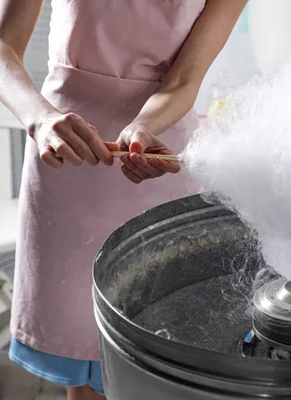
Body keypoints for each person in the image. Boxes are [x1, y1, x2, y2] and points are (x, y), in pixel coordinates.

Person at [0, 0, 247, 399]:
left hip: (155, 155)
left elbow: (184, 78)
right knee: (82, 360)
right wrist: (39, 117)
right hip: (63, 152)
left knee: (160, 359)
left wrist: (143, 127)